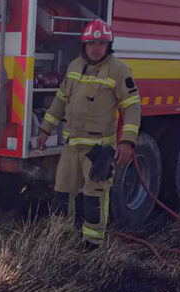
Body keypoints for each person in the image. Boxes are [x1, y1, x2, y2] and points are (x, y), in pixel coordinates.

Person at [36, 19, 141, 251]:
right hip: (72, 145)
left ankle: (92, 244)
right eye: (91, 43)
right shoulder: (74, 67)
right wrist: (45, 130)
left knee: (95, 197)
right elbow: (60, 101)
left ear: (108, 45)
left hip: (99, 148)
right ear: (83, 44)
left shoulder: (119, 70)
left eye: (101, 43)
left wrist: (127, 142)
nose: (96, 47)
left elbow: (132, 106)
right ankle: (60, 238)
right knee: (62, 193)